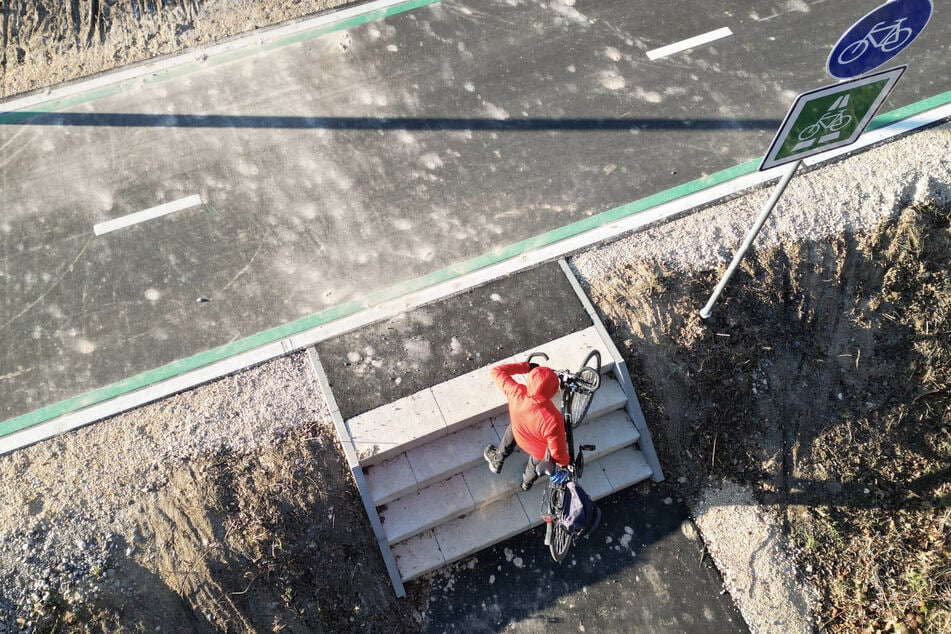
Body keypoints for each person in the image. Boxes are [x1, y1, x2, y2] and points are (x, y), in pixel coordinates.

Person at [483, 361, 570, 491]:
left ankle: (498, 458)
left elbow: (496, 371)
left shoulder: (516, 392)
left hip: (519, 433)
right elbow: (557, 454)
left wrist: (526, 366)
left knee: (516, 423)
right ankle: (526, 483)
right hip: (538, 451)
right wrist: (566, 462)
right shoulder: (553, 418)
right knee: (534, 466)